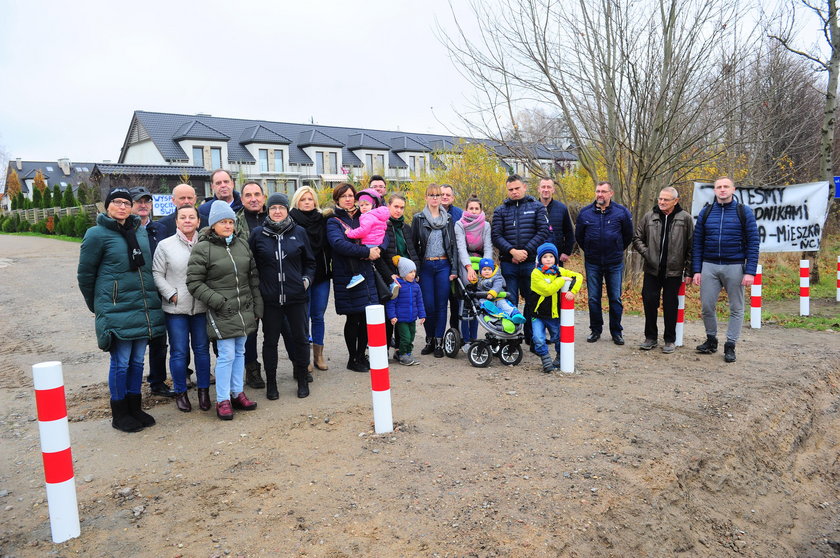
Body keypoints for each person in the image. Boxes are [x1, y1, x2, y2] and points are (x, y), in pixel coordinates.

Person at [77, 188, 165, 432]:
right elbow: (85, 274)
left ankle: (135, 407)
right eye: (116, 202)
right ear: (107, 206)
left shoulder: (139, 232)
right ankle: (120, 412)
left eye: (126, 203)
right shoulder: (96, 234)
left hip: (142, 305)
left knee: (137, 361)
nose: (122, 207)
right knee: (121, 362)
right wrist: (97, 306)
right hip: (116, 308)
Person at [187, 200, 262, 420]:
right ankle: (222, 400)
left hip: (243, 308)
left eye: (230, 221)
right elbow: (194, 282)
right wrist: (218, 301)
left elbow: (252, 276)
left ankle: (237, 393)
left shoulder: (241, 244)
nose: (228, 225)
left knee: (240, 352)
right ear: (213, 225)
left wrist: (257, 304)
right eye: (223, 222)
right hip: (222, 310)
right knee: (226, 355)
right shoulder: (203, 247)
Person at [250, 193, 316, 399]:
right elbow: (251, 265)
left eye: (281, 207)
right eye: (273, 208)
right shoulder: (258, 234)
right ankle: (271, 384)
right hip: (270, 300)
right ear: (267, 211)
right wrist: (259, 288)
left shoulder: (299, 232)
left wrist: (305, 281)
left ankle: (303, 380)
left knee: (301, 339)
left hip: (296, 297)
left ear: (288, 210)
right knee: (270, 342)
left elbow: (311, 263)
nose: (277, 211)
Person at [691, 177, 760, 363]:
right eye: (719, 187)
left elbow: (753, 243)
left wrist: (750, 271)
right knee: (706, 306)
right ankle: (711, 339)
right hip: (709, 265)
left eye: (726, 187)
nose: (722, 190)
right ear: (714, 190)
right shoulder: (706, 212)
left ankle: (730, 344)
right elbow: (697, 243)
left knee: (736, 308)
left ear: (733, 189)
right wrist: (696, 270)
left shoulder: (743, 212)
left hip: (735, 266)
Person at [152, 205, 212, 412]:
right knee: (179, 352)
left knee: (202, 351)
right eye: (183, 217)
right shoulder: (165, 245)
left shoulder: (206, 244)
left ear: (198, 221)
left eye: (191, 217)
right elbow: (157, 273)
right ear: (176, 222)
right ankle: (180, 391)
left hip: (201, 307)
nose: (187, 220)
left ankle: (204, 391)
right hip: (176, 308)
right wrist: (171, 294)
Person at [325, 183, 381, 372]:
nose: (348, 199)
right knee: (353, 318)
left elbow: (379, 232)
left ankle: (361, 355)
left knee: (367, 317)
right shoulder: (333, 221)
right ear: (337, 199)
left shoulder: (364, 215)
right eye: (344, 196)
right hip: (347, 275)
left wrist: (376, 249)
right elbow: (339, 244)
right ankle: (352, 358)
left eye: (351, 195)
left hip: (365, 272)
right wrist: (365, 251)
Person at [632, 187, 694, 354]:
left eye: (666, 199)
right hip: (652, 270)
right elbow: (637, 238)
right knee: (649, 302)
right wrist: (648, 253)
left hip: (674, 271)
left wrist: (688, 271)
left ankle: (669, 340)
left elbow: (691, 246)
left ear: (675, 201)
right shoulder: (649, 216)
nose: (661, 202)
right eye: (660, 199)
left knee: (670, 305)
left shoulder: (685, 218)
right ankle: (650, 337)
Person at [491, 174, 550, 345]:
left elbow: (543, 231)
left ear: (524, 187)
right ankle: (511, 339)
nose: (514, 192)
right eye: (511, 190)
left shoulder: (537, 207)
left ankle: (532, 338)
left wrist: (524, 251)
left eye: (517, 188)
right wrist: (512, 252)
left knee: (532, 301)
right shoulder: (500, 210)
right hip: (509, 264)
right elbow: (496, 235)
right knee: (510, 302)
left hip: (530, 263)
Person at [574, 181, 633, 345]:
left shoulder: (621, 212)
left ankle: (616, 331)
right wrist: (590, 249)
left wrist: (616, 248)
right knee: (593, 298)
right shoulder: (585, 213)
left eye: (603, 191)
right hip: (593, 262)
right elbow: (579, 237)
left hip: (614, 262)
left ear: (611, 193)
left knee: (615, 298)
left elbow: (628, 235)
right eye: (598, 191)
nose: (600, 194)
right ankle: (595, 329)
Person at [129, 186, 174, 398]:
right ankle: (132, 386)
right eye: (139, 201)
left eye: (147, 201)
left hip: (158, 293)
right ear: (130, 205)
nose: (143, 205)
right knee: (134, 343)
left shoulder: (160, 229)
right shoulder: (125, 230)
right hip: (135, 293)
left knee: (159, 340)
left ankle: (157, 381)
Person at [411, 183, 458, 358]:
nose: (435, 198)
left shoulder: (448, 219)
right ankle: (429, 339)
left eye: (437, 195)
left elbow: (452, 245)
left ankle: (439, 341)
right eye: (431, 195)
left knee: (441, 305)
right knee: (428, 305)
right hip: (426, 267)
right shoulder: (419, 219)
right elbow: (413, 246)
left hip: (444, 266)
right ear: (426, 197)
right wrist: (415, 269)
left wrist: (454, 268)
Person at [290, 186, 332, 372]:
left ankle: (319, 355)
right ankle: (304, 356)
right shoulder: (291, 220)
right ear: (296, 202)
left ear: (315, 201)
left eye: (310, 199)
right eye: (302, 199)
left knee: (318, 315)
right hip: (301, 276)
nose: (307, 202)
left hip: (322, 275)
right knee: (302, 316)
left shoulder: (323, 220)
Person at [530, 243, 583, 373]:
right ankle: (546, 360)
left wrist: (572, 291)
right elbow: (547, 290)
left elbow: (578, 277)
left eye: (551, 256)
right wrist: (561, 280)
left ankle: (560, 358)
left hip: (553, 314)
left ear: (556, 258)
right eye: (545, 257)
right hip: (537, 314)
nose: (548, 259)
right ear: (540, 259)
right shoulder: (536, 273)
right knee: (538, 338)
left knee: (558, 337)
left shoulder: (559, 271)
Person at [381, 193, 422, 358]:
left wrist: (415, 271)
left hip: (406, 276)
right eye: (395, 206)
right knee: (390, 315)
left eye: (401, 207)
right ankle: (383, 352)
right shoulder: (383, 226)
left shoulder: (406, 228)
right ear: (389, 206)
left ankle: (400, 350)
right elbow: (382, 256)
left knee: (403, 314)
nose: (398, 210)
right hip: (390, 276)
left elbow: (412, 252)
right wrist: (389, 274)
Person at [236, 182, 268, 390]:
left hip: (274, 281)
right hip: (248, 283)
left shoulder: (276, 215)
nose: (253, 198)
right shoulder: (235, 222)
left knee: (281, 327)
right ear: (242, 199)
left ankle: (296, 364)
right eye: (248, 195)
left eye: (257, 194)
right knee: (251, 330)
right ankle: (252, 368)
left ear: (264, 197)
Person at [454, 196, 493, 346]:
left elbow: (488, 247)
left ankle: (474, 336)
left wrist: (486, 267)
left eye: (477, 208)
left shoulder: (485, 225)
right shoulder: (460, 224)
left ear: (481, 210)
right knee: (467, 297)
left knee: (479, 298)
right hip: (466, 261)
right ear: (466, 209)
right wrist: (469, 268)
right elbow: (461, 248)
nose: (474, 211)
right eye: (471, 208)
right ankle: (465, 338)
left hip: (481, 260)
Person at [344, 188, 394, 294]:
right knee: (380, 264)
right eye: (361, 205)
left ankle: (356, 275)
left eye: (366, 204)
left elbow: (363, 231)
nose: (364, 207)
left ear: (373, 205)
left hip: (369, 243)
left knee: (353, 254)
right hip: (377, 243)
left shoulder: (367, 216)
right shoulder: (379, 216)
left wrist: (350, 233)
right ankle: (391, 282)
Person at [385, 257, 425, 366]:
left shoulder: (416, 286)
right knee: (405, 337)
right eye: (410, 272)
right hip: (401, 319)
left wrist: (422, 315)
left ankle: (408, 353)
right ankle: (402, 355)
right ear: (403, 273)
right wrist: (392, 316)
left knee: (411, 336)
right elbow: (391, 303)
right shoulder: (398, 286)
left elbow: (420, 302)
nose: (413, 274)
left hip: (412, 318)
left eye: (414, 272)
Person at [475, 258, 526, 325]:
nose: (487, 271)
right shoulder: (479, 279)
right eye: (484, 269)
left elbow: (497, 286)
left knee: (505, 305)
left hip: (498, 298)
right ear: (480, 271)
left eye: (489, 269)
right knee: (482, 302)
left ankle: (516, 315)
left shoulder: (497, 277)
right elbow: (476, 287)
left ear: (493, 270)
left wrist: (493, 292)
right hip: (486, 299)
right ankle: (493, 310)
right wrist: (473, 281)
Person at [537, 178, 575, 266]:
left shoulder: (562, 208)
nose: (546, 190)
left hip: (556, 257)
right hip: (535, 257)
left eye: (549, 187)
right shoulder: (531, 208)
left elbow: (569, 232)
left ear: (553, 190)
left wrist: (566, 252)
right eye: (543, 187)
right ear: (538, 189)